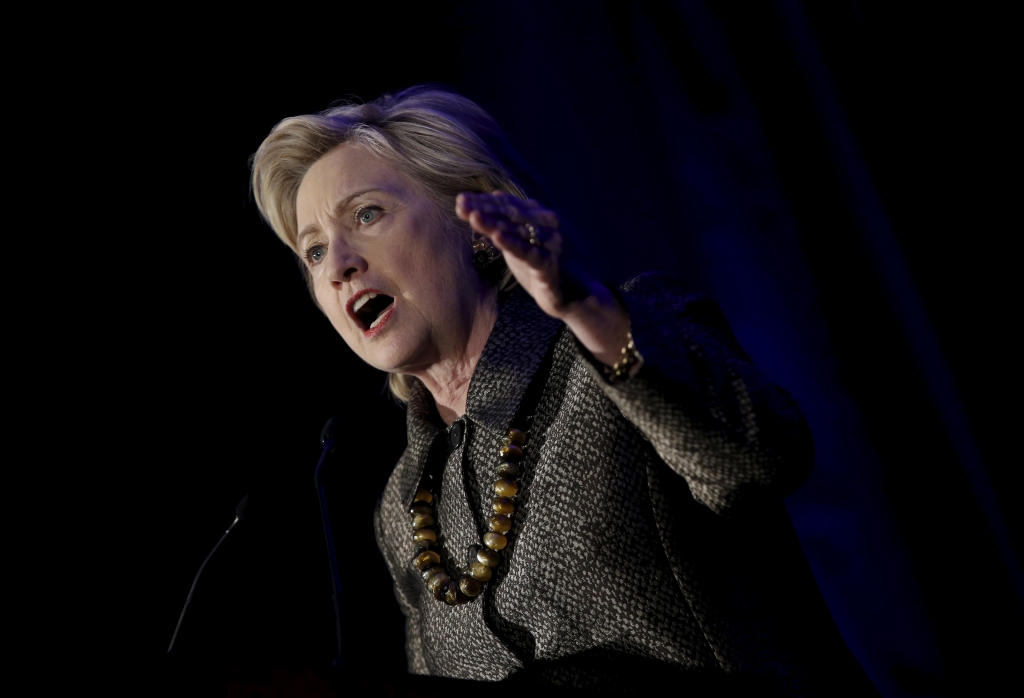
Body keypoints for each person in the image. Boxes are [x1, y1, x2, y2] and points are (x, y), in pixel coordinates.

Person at [250, 87, 877, 695]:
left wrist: (591, 312)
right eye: (312, 253)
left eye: (367, 215)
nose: (337, 266)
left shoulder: (625, 338)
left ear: (475, 220)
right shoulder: (403, 505)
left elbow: (758, 458)